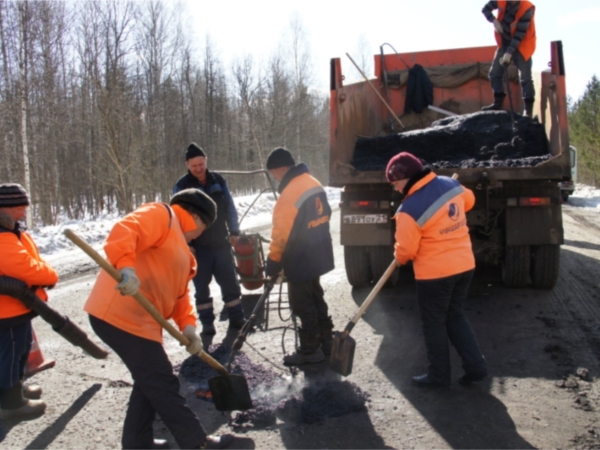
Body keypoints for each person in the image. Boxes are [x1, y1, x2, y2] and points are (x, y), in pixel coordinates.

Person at [84, 189, 234, 449]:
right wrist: (127, 268)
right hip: (119, 314)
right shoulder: (163, 215)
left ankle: (137, 444)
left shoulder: (185, 255)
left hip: (143, 325)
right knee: (162, 380)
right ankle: (198, 443)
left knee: (149, 382)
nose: (200, 235)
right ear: (196, 218)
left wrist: (189, 327)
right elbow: (126, 229)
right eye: (203, 228)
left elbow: (180, 297)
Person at [386, 152, 488, 387]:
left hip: (435, 275)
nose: (396, 189)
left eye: (396, 183)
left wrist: (398, 254)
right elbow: (470, 201)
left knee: (433, 323)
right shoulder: (451, 184)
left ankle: (439, 376)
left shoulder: (408, 210)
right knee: (455, 315)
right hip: (465, 266)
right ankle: (476, 366)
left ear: (407, 177)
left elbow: (406, 252)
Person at [264, 148, 335, 366]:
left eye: (274, 172)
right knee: (315, 296)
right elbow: (327, 213)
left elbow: (280, 234)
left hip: (300, 257)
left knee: (302, 303)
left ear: (282, 168)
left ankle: (310, 350)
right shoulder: (313, 182)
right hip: (318, 252)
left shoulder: (289, 195)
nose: (274, 177)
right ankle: (327, 342)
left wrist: (273, 262)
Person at [173, 143, 245, 336]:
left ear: (206, 161)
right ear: (187, 164)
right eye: (194, 165)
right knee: (201, 287)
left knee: (229, 282)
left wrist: (234, 231)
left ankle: (237, 318)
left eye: (201, 164)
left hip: (221, 243)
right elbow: (176, 220)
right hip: (198, 247)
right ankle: (207, 324)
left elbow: (229, 207)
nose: (198, 168)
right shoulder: (182, 186)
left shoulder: (218, 181)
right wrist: (187, 245)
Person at [0, 183, 58, 420]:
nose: (24, 212)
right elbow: (26, 267)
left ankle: (15, 388)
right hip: (7, 312)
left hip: (14, 308)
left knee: (19, 351)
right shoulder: (2, 237)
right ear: (5, 208)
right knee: (11, 355)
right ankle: (11, 405)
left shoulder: (10, 229)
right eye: (20, 208)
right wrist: (50, 275)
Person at [481, 0, 536, 117]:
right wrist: (494, 21)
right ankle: (498, 103)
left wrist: (509, 53)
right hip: (504, 42)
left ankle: (528, 111)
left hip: (522, 45)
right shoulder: (501, 1)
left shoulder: (527, 8)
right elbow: (485, 9)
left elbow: (519, 34)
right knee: (494, 74)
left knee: (525, 78)